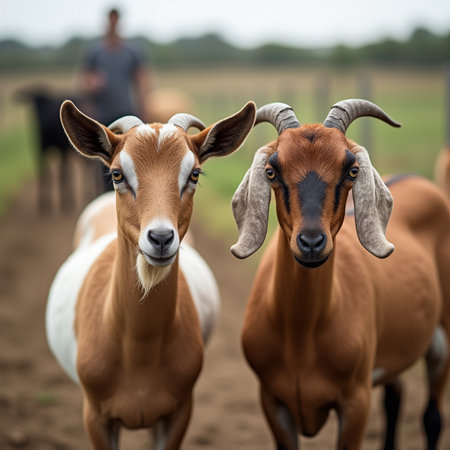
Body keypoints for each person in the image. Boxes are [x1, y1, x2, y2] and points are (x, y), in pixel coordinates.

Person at [80, 7, 150, 189]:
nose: (113, 24)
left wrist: (144, 106)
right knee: (104, 164)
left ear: (119, 22)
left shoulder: (132, 51)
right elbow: (84, 80)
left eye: (116, 20)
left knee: (128, 161)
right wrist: (92, 84)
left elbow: (142, 79)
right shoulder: (95, 52)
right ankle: (104, 198)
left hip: (126, 115)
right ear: (107, 22)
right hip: (102, 115)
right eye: (110, 20)